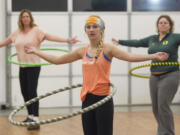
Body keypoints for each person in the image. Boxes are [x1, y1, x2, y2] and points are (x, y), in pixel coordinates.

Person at [25, 15, 169, 135]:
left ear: (101, 30)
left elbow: (130, 57)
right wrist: (36, 51)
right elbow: (57, 60)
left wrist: (153, 56)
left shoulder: (108, 49)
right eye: (88, 27)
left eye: (95, 26)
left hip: (103, 100)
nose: (91, 30)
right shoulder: (82, 51)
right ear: (85, 31)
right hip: (87, 99)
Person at [0, 9, 79, 130]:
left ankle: (36, 119)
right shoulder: (17, 32)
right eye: (23, 17)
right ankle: (30, 116)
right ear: (20, 19)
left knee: (32, 92)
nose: (25, 18)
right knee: (25, 92)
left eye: (27, 16)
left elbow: (51, 36)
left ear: (30, 18)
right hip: (22, 66)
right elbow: (5, 42)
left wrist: (68, 40)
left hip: (34, 66)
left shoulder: (36, 31)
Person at [112, 15, 179, 135]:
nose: (163, 24)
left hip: (171, 74)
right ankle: (162, 131)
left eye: (166, 23)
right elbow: (137, 42)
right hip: (154, 76)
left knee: (163, 105)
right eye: (161, 23)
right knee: (156, 107)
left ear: (170, 25)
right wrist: (120, 41)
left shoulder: (175, 37)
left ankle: (168, 133)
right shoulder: (152, 39)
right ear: (157, 25)